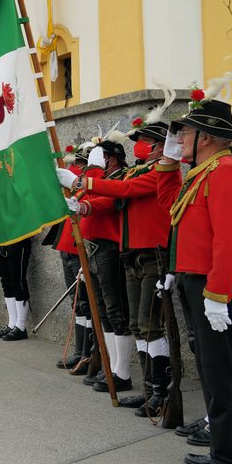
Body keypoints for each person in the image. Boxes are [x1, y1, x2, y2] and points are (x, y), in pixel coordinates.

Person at [156, 93, 232, 464]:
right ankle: (220, 450)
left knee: (223, 372)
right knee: (211, 371)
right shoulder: (203, 172)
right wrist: (168, 163)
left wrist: (217, 294)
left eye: (186, 132)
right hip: (198, 277)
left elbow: (230, 239)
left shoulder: (227, 171)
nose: (179, 138)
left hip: (218, 283)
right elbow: (171, 207)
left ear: (208, 137)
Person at [75, 112, 176, 416]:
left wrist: (84, 180)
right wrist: (84, 203)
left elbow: (124, 190)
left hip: (153, 254)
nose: (140, 145)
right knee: (137, 325)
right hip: (131, 254)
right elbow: (115, 198)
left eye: (145, 141)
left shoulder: (163, 170)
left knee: (150, 325)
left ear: (160, 144)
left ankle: (162, 393)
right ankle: (149, 389)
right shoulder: (138, 171)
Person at [71, 132, 133, 391]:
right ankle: (111, 367)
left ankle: (122, 372)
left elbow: (105, 202)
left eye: (102, 157)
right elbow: (83, 196)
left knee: (115, 310)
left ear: (113, 159)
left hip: (109, 248)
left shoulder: (120, 178)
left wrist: (93, 173)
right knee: (103, 312)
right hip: (93, 248)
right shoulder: (101, 179)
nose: (98, 161)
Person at [46, 144, 94, 374]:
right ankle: (79, 350)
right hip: (67, 247)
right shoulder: (74, 186)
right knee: (77, 305)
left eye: (82, 165)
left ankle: (88, 354)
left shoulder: (90, 186)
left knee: (86, 303)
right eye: (78, 164)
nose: (78, 168)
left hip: (81, 248)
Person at [0, 237, 33, 341]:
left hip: (18, 237)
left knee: (17, 281)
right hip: (0, 239)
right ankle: (12, 324)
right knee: (6, 282)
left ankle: (21, 327)